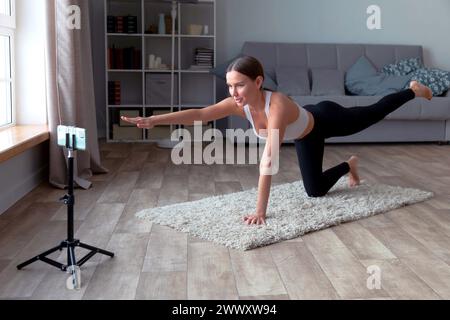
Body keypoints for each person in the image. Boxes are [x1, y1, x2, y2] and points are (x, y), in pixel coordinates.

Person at [122, 55, 433, 226]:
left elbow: (268, 160)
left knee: (371, 114)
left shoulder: (278, 106)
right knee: (314, 191)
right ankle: (348, 165)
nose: (233, 94)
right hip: (306, 136)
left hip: (325, 118)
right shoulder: (238, 103)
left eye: (240, 86)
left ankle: (413, 90)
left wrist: (261, 211)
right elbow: (201, 114)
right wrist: (155, 120)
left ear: (258, 82)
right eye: (230, 86)